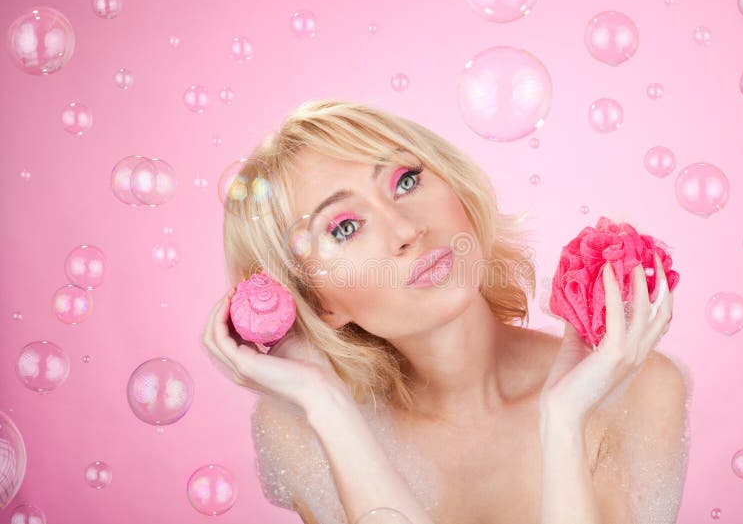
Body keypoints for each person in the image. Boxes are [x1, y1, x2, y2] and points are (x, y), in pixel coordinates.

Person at [202, 99, 691, 524]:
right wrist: (327, 403)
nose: (406, 228)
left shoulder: (636, 390)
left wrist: (563, 422)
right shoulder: (302, 432)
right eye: (345, 227)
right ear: (317, 303)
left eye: (407, 179)